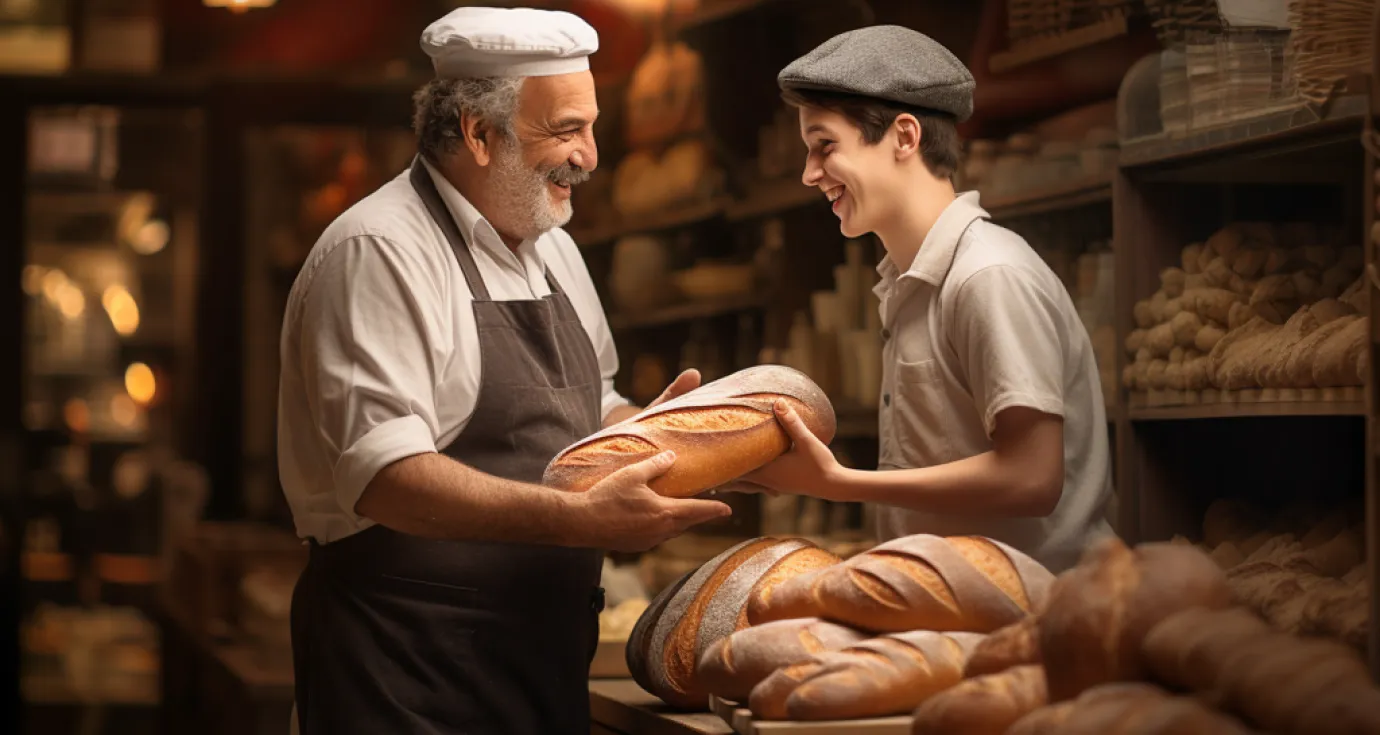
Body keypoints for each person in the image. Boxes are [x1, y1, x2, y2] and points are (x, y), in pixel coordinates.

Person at [275, 7, 732, 734]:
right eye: (565, 130)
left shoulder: (553, 247)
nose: (589, 155)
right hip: (402, 680)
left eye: (590, 126)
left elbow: (597, 405)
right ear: (478, 134)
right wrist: (583, 520)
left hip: (537, 670)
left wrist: (667, 439)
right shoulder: (378, 251)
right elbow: (385, 477)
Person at [745, 25, 1115, 575]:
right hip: (961, 613)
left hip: (1038, 622)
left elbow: (1033, 478)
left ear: (904, 137)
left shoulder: (986, 274)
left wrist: (839, 485)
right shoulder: (913, 280)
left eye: (825, 146)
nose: (809, 174)